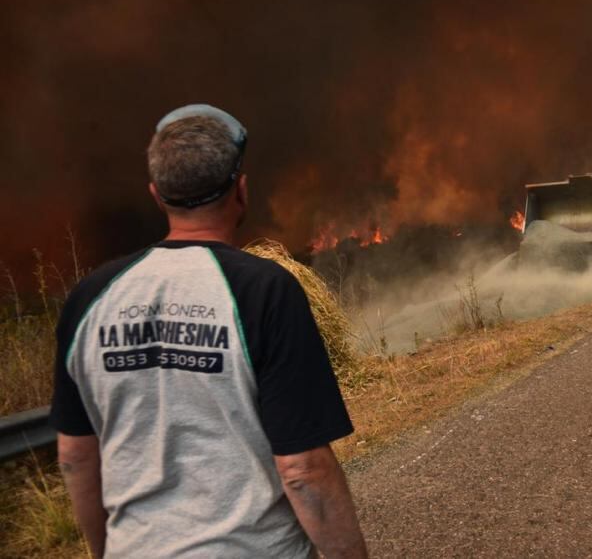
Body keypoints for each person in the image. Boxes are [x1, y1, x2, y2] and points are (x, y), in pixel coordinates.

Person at [50, 104, 369, 558]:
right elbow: (302, 469)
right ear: (241, 190)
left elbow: (75, 457)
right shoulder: (263, 290)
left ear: (156, 195)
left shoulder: (91, 297)